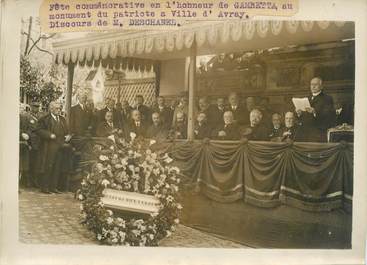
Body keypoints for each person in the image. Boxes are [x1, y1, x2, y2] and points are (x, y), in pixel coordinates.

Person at [36, 101, 72, 194]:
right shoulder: (45, 119)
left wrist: (68, 136)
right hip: (49, 146)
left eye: (60, 108)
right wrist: (49, 135)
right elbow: (38, 130)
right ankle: (45, 187)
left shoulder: (62, 119)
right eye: (57, 108)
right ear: (51, 109)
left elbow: (67, 131)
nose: (59, 110)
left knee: (57, 166)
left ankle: (53, 187)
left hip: (60, 146)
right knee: (48, 166)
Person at [296, 77, 335, 142]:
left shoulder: (327, 98)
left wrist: (314, 112)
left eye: (315, 84)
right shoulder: (307, 98)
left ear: (321, 86)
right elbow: (303, 117)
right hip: (305, 132)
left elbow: (329, 115)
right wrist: (299, 114)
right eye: (311, 84)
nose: (313, 86)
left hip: (318, 132)